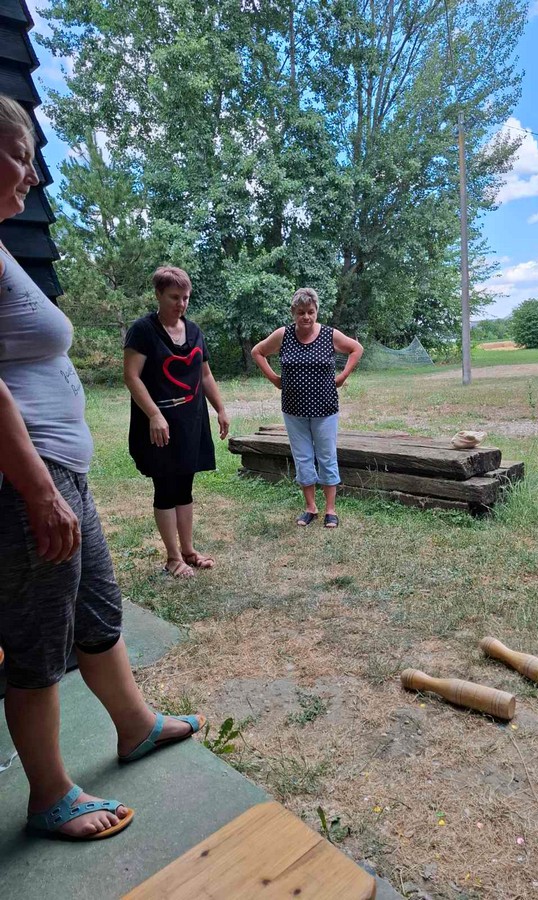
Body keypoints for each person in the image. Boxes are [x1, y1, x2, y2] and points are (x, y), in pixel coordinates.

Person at [0, 95, 204, 841]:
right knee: (37, 637)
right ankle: (50, 794)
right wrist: (36, 489)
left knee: (96, 608)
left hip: (61, 473)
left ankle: (134, 725)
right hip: (27, 479)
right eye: (20, 155)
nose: (32, 175)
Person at [123, 267, 230, 577]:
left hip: (190, 422)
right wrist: (154, 414)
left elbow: (205, 375)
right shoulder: (143, 330)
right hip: (158, 425)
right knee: (166, 486)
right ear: (158, 295)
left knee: (184, 485)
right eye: (174, 297)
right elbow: (131, 376)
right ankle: (172, 558)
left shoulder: (194, 331)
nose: (181, 304)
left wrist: (220, 409)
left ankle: (188, 551)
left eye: (185, 298)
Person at [251, 288, 363, 527]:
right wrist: (274, 379)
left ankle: (331, 510)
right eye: (301, 312)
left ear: (316, 311)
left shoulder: (329, 335)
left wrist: (342, 376)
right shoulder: (283, 335)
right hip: (293, 409)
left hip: (325, 409)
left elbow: (356, 348)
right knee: (302, 458)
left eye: (311, 312)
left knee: (326, 456)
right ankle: (310, 507)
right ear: (293, 313)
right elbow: (257, 352)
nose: (306, 317)